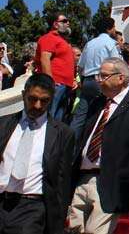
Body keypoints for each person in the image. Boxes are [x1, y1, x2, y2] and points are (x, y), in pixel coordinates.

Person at [68, 57, 129, 234]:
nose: (98, 80)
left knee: (95, 231)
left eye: (104, 76)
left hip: (112, 182)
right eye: (98, 76)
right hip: (83, 178)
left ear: (121, 78)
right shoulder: (97, 104)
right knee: (73, 229)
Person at [0, 73, 76, 234]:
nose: (37, 105)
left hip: (32, 208)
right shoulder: (4, 124)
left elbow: (62, 181)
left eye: (44, 100)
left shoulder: (62, 133)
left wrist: (58, 222)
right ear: (23, 95)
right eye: (32, 99)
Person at [71, 17, 120, 139]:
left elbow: (80, 67)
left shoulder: (89, 44)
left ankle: (70, 143)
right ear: (109, 28)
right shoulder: (111, 43)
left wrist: (82, 81)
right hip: (102, 81)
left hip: (87, 81)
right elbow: (118, 64)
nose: (115, 30)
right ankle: (93, 142)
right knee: (101, 114)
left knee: (80, 116)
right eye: (114, 27)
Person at [34, 13, 76, 121]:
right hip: (56, 85)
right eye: (64, 21)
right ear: (55, 24)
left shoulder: (62, 40)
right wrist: (50, 81)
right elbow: (45, 59)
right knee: (48, 117)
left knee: (57, 120)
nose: (68, 23)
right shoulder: (49, 38)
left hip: (65, 85)